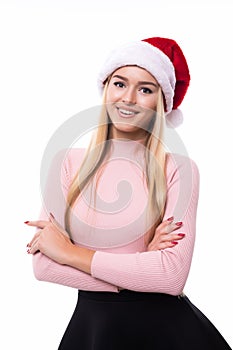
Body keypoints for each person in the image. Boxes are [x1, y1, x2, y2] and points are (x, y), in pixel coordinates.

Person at [25, 37, 232, 349]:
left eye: (146, 89)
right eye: (120, 83)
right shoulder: (66, 162)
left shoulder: (178, 168)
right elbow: (43, 266)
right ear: (106, 87)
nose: (129, 98)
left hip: (167, 333)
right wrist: (143, 263)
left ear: (161, 103)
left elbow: (171, 277)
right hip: (91, 332)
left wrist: (70, 253)